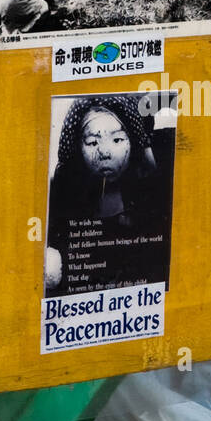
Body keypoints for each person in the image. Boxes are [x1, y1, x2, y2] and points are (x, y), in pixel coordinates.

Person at [46, 96, 170, 294]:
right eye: (92, 142)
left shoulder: (155, 195)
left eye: (117, 140)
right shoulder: (63, 200)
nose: (105, 152)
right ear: (78, 148)